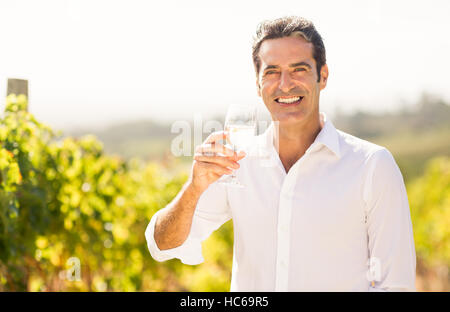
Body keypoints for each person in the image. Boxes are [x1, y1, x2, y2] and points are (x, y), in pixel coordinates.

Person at [145, 16, 416, 291]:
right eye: (272, 71)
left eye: (298, 69)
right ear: (258, 83)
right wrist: (193, 189)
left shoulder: (371, 166)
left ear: (322, 76)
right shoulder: (236, 164)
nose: (285, 84)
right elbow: (162, 245)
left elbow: (395, 284)